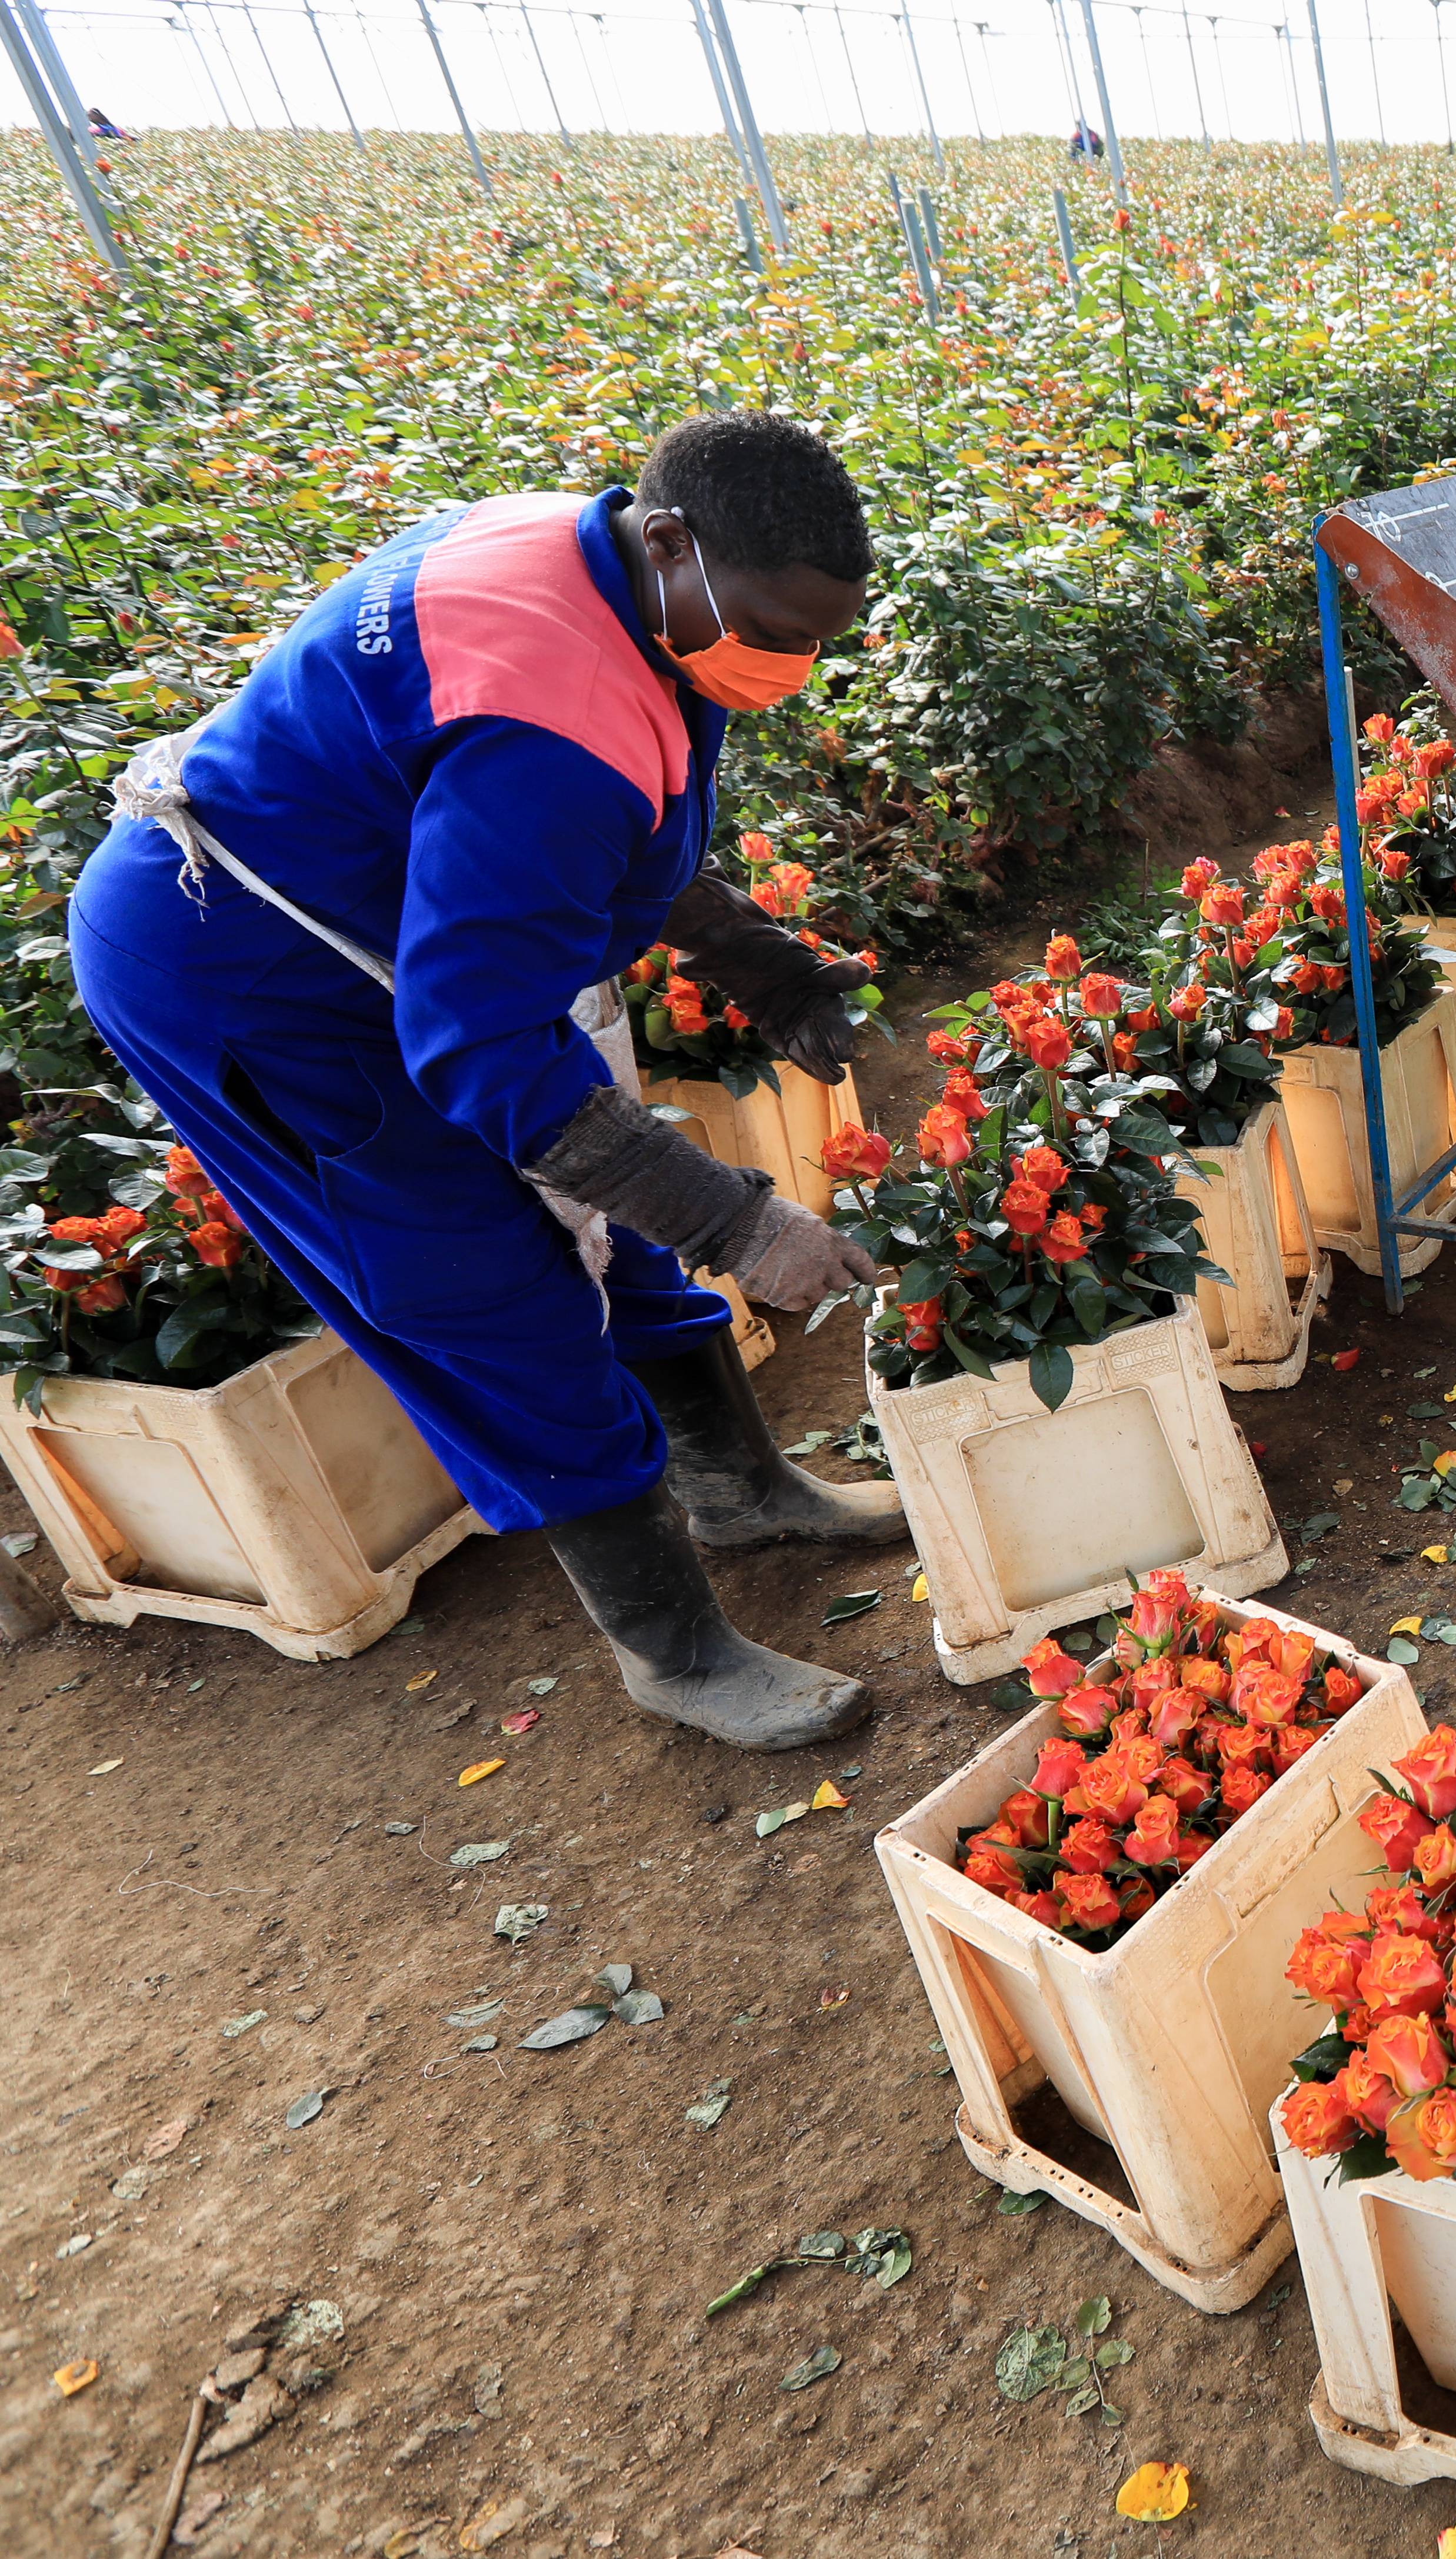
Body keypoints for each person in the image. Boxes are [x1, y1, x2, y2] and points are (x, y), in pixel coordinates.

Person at [72, 413, 902, 1752]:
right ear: (676, 542)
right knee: (486, 1283)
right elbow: (483, 1037)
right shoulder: (548, 713)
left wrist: (762, 961)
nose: (793, 663)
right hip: (250, 977)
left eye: (819, 637)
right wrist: (741, 1223)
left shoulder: (613, 576)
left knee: (609, 1203)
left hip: (391, 935)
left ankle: (740, 1489)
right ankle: (676, 1653)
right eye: (774, 627)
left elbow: (609, 834)